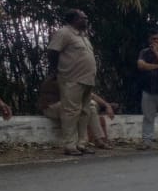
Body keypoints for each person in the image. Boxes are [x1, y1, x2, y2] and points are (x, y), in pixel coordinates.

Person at [45, 8, 99, 156]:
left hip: (87, 80)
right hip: (71, 79)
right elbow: (52, 51)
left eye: (86, 18)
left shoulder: (83, 36)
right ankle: (70, 145)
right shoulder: (64, 33)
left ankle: (82, 143)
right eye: (83, 18)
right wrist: (54, 71)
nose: (86, 20)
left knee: (84, 112)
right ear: (73, 20)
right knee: (70, 112)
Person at [38, 73, 115, 152]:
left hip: (65, 107)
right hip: (50, 109)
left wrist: (106, 105)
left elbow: (88, 95)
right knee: (84, 105)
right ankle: (73, 145)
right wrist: (106, 105)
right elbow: (81, 96)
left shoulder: (71, 79)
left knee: (90, 107)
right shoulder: (59, 80)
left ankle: (98, 140)